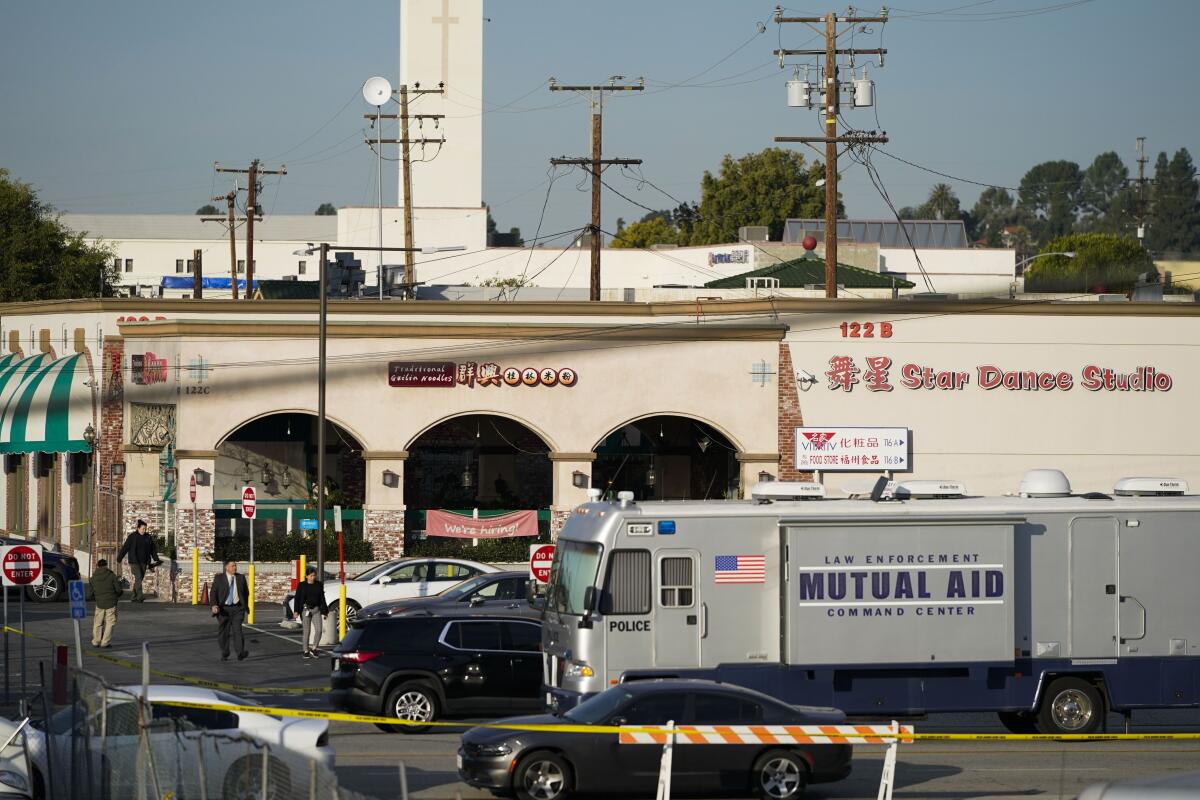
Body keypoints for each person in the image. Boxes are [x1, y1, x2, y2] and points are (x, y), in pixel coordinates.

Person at [209, 560, 250, 661]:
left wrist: (244, 605)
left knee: (238, 631)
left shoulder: (241, 578)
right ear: (226, 567)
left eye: (235, 566)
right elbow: (213, 593)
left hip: (237, 609)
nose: (235, 568)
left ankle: (240, 653)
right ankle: (225, 652)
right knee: (224, 632)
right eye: (232, 566)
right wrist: (214, 605)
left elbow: (246, 592)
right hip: (223, 609)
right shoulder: (219, 578)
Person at [116, 519, 160, 602]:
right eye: (143, 528)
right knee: (139, 577)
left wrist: (156, 559)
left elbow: (152, 549)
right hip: (134, 562)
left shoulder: (148, 537)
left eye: (145, 529)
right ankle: (140, 596)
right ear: (138, 528)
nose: (144, 530)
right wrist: (119, 558)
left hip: (144, 562)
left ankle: (133, 596)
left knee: (139, 580)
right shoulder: (132, 537)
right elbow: (125, 548)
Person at [292, 567, 329, 658]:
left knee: (319, 630)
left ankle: (314, 648)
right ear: (306, 576)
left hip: (316, 610)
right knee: (306, 631)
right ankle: (305, 650)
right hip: (305, 610)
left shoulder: (319, 584)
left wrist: (325, 611)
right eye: (311, 575)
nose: (313, 577)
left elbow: (322, 598)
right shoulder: (302, 585)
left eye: (314, 575)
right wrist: (296, 611)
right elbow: (297, 598)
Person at [85, 559, 122, 647]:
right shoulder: (112, 575)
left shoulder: (93, 578)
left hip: (99, 603)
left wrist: (96, 597)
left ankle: (96, 641)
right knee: (110, 622)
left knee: (98, 622)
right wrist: (117, 596)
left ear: (97, 566)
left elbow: (90, 594)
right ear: (106, 565)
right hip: (111, 602)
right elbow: (118, 590)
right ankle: (105, 642)